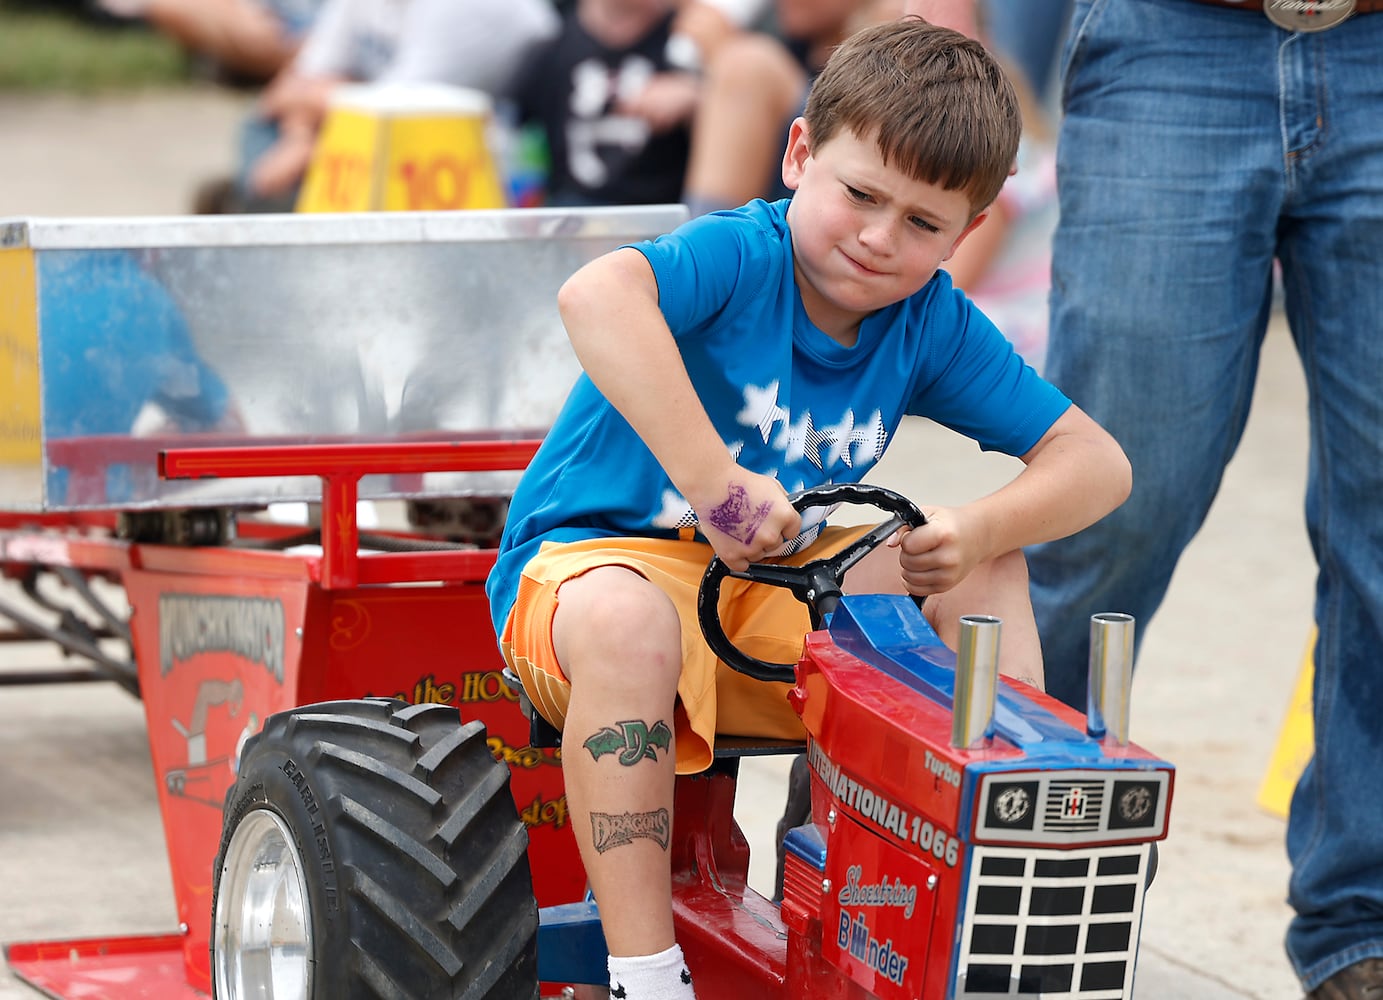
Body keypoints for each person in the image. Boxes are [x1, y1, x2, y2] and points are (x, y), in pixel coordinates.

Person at [485, 17, 1131, 998]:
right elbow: (595, 296)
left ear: (971, 229)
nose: (880, 238)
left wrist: (978, 526)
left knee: (981, 564)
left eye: (924, 223)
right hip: (589, 575)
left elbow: (1098, 462)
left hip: (759, 595)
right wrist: (716, 483)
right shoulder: (743, 256)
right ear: (799, 155)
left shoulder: (931, 322)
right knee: (628, 623)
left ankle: (963, 916)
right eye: (861, 195)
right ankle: (644, 968)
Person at [915, 1, 1383, 997]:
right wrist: (947, 32)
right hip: (1174, 38)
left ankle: (1365, 930)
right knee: (1105, 507)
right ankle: (996, 865)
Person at [247, 0, 558, 203]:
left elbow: (393, 115)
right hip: (396, 129)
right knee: (259, 134)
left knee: (298, 180)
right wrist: (298, 137)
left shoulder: (463, 9)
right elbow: (293, 85)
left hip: (499, 158)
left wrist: (314, 102)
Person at [506, 0, 704, 207]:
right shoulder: (549, 53)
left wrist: (699, 97)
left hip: (667, 219)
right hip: (570, 216)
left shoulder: (690, 44)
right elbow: (518, 147)